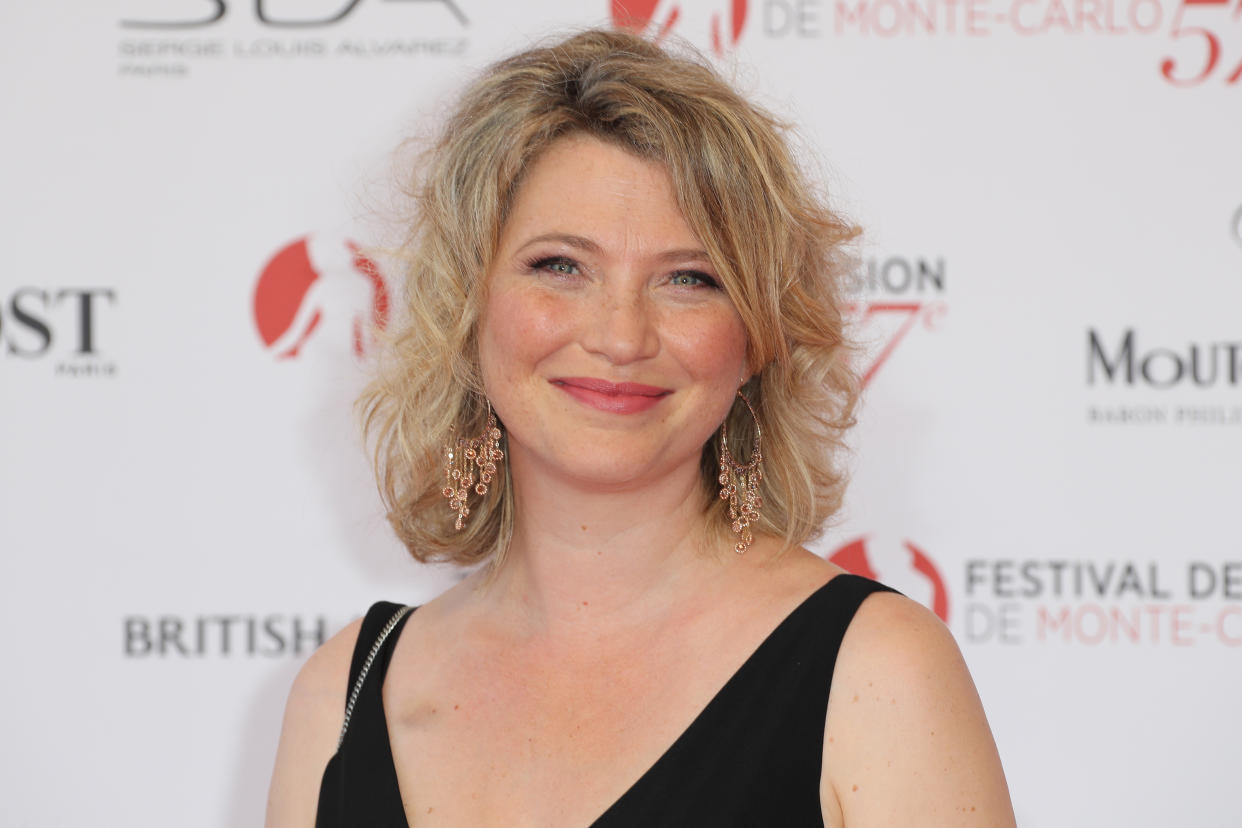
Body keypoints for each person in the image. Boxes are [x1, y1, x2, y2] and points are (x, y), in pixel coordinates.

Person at [266, 28, 1016, 827]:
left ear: (757, 338)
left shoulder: (876, 674)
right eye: (561, 266)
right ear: (467, 307)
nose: (622, 337)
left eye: (688, 279)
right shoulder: (340, 695)